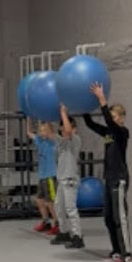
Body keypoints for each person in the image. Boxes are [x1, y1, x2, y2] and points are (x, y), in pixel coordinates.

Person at [83, 82, 132, 262]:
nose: (111, 119)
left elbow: (109, 122)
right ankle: (116, 250)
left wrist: (101, 98)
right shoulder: (108, 133)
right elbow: (89, 123)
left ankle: (126, 253)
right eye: (111, 116)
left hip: (119, 179)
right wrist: (84, 106)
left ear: (122, 118)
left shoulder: (122, 133)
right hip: (109, 178)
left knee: (120, 217)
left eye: (114, 116)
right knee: (109, 217)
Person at [50, 104, 84, 249]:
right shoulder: (59, 142)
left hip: (70, 180)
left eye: (67, 126)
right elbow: (49, 134)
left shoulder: (74, 140)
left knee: (70, 208)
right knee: (59, 207)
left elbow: (68, 131)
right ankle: (64, 232)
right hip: (62, 179)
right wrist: (45, 119)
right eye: (62, 127)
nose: (64, 129)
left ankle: (77, 236)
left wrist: (63, 112)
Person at [26, 119, 59, 235]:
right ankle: (46, 222)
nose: (41, 132)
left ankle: (58, 223)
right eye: (40, 130)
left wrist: (48, 129)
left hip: (51, 176)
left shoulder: (53, 142)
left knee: (51, 202)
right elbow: (29, 133)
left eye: (44, 130)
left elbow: (53, 135)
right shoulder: (39, 141)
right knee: (39, 200)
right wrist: (28, 118)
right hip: (42, 176)